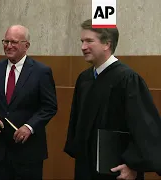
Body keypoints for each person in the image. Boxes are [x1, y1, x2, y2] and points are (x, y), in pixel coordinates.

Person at [64, 19, 161, 180]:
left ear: (106, 44)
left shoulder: (127, 79)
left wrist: (133, 165)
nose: (83, 47)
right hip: (86, 168)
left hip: (119, 171)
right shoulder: (85, 79)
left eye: (89, 41)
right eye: (82, 41)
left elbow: (145, 128)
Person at [0, 25, 57, 180]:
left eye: (13, 42)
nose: (8, 46)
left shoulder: (41, 72)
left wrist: (29, 127)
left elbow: (49, 107)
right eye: (5, 41)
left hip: (29, 151)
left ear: (26, 45)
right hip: (1, 151)